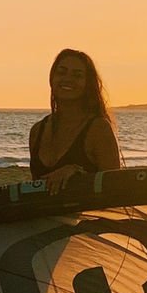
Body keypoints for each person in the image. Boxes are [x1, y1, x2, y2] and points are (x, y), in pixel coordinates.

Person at [29, 48, 122, 188]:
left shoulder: (98, 129)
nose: (67, 79)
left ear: (87, 84)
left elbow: (115, 185)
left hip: (87, 210)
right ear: (52, 78)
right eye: (61, 72)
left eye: (77, 75)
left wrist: (77, 171)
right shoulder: (37, 131)